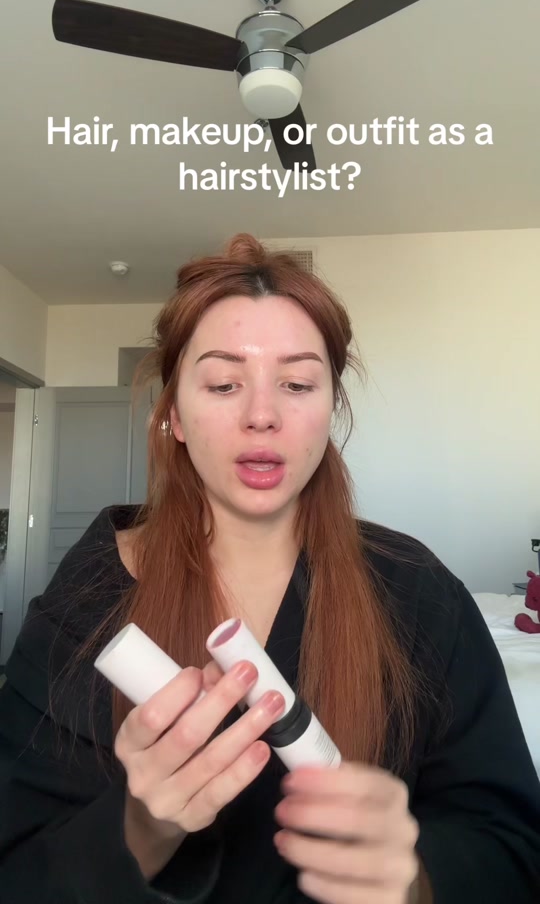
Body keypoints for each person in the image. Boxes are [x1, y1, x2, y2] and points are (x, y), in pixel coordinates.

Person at [0, 233, 539, 904]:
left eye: (297, 384)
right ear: (175, 417)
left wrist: (419, 879)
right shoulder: (83, 603)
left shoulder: (418, 590)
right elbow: (18, 868)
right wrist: (141, 828)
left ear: (330, 410)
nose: (262, 415)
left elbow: (512, 843)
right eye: (224, 383)